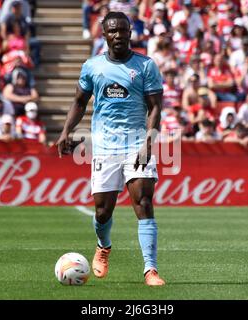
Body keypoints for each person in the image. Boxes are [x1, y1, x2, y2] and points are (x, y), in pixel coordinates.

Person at [55, 12, 165, 286]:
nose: (118, 35)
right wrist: (66, 131)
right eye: (112, 31)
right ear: (104, 35)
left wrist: (148, 142)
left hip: (137, 145)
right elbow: (80, 102)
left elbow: (155, 108)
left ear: (130, 32)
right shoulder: (93, 66)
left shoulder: (145, 66)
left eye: (123, 30)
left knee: (144, 203)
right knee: (103, 212)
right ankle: (103, 247)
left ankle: (150, 270)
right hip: (104, 148)